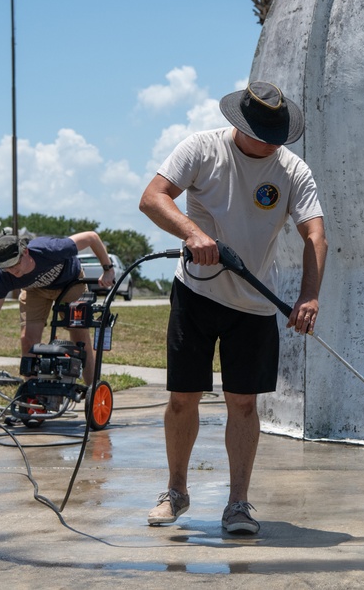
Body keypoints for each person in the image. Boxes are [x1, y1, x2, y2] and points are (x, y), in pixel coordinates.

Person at [139, 80, 327, 535]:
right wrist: (193, 234)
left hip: (256, 303)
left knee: (243, 404)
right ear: (239, 124)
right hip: (196, 295)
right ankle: (176, 492)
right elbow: (152, 198)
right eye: (261, 133)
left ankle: (238, 504)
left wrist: (309, 294)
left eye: (276, 136)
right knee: (183, 398)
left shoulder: (293, 171)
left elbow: (315, 235)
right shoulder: (201, 149)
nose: (269, 143)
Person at [0, 232, 116, 386]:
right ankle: (33, 395)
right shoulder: (5, 276)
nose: (13, 271)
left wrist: (107, 268)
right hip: (34, 290)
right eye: (7, 267)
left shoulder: (51, 249)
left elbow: (91, 237)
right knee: (28, 340)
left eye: (15, 264)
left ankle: (92, 388)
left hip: (70, 283)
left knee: (79, 335)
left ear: (25, 252)